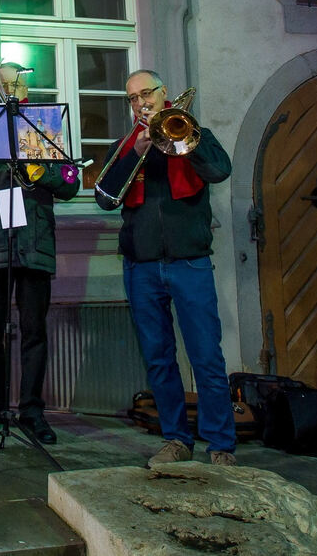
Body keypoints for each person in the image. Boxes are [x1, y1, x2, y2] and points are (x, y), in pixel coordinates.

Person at [95, 69, 237, 467]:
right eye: (133, 97)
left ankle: (221, 445)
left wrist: (184, 141)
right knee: (158, 358)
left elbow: (220, 171)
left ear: (164, 94)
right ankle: (176, 439)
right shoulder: (124, 147)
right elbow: (105, 198)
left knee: (206, 356)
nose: (141, 102)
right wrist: (137, 152)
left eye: (147, 93)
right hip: (141, 268)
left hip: (189, 263)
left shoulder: (193, 132)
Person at [0, 65, 78, 444]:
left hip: (34, 237)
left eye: (17, 80)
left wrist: (42, 172)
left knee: (34, 330)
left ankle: (31, 410)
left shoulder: (43, 124)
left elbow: (70, 184)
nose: (11, 86)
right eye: (4, 81)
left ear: (27, 84)